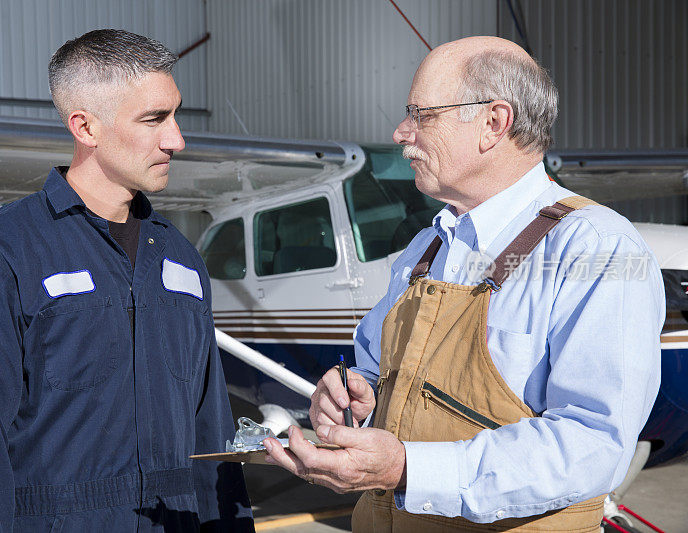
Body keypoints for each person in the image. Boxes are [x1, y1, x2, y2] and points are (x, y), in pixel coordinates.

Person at [263, 35, 664, 531]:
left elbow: (594, 444)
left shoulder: (595, 248)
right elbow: (370, 372)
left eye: (421, 114)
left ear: (494, 123)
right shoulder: (424, 249)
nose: (400, 132)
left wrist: (405, 468)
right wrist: (355, 398)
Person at [0, 29, 254, 532]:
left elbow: (211, 429)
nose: (177, 139)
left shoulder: (183, 260)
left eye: (175, 114)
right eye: (154, 119)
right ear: (85, 127)